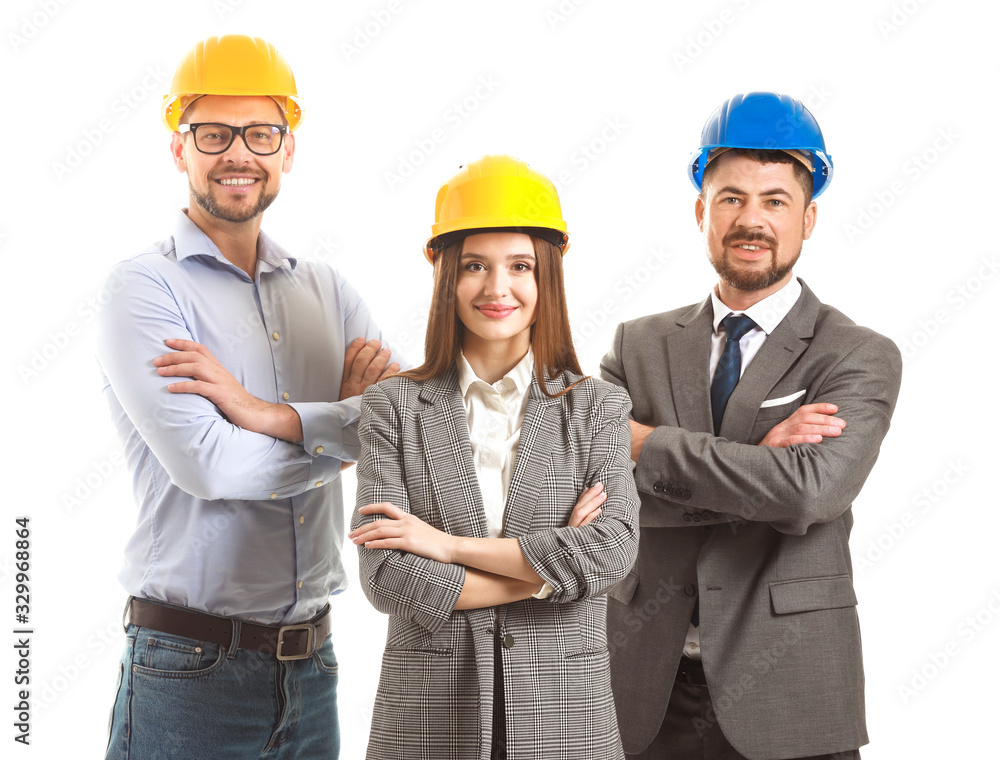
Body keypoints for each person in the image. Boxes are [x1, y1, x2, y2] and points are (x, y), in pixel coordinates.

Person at [97, 35, 399, 760]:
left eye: (261, 133)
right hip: (188, 670)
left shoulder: (327, 289)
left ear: (287, 150)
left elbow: (406, 427)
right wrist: (338, 431)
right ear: (180, 149)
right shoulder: (144, 290)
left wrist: (267, 418)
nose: (239, 152)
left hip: (314, 668)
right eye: (214, 133)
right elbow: (210, 468)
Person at [601, 92, 902, 760]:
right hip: (647, 690)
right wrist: (755, 466)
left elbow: (807, 494)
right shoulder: (637, 346)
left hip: (790, 696)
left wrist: (645, 446)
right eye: (731, 197)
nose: (752, 219)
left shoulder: (856, 355)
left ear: (809, 218)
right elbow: (593, 497)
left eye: (775, 200)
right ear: (700, 210)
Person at [349, 155, 640, 760]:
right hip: (427, 722)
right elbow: (388, 579)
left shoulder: (598, 406)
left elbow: (610, 554)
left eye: (520, 266)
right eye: (475, 266)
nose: (497, 288)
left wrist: (447, 546)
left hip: (567, 722)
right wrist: (549, 569)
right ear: (446, 276)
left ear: (547, 278)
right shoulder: (392, 407)